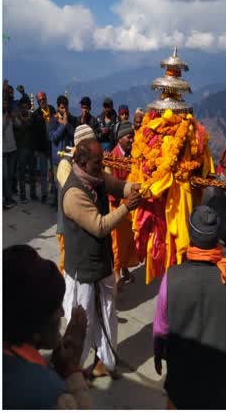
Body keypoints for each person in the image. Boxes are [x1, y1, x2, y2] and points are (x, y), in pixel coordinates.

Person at [153, 206, 226, 409]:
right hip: (225, 389)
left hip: (181, 387)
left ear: (190, 236)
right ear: (217, 238)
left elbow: (160, 331)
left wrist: (159, 356)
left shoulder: (172, 277)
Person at [61, 139, 142, 379]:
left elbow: (118, 186)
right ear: (83, 163)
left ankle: (105, 362)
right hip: (83, 271)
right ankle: (73, 368)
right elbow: (99, 226)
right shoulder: (74, 193)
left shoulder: (96, 176)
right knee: (82, 322)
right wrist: (127, 207)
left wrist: (138, 188)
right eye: (98, 163)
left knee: (107, 314)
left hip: (102, 264)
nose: (102, 167)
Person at [3, 245, 92, 409]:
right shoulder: (49, 394)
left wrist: (54, 366)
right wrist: (72, 373)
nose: (63, 312)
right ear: (35, 327)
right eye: (57, 308)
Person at [55, 125, 97, 274]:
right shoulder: (65, 164)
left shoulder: (93, 162)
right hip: (67, 228)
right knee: (67, 269)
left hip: (86, 226)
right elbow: (75, 190)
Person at [105, 121, 139, 286]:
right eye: (129, 136)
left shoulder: (134, 154)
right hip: (118, 205)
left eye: (132, 136)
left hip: (131, 205)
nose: (132, 140)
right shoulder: (113, 156)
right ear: (120, 138)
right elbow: (110, 182)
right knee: (117, 243)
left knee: (129, 241)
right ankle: (117, 271)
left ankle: (125, 268)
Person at [49, 95, 78, 208]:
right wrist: (62, 126)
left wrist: (67, 125)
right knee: (57, 182)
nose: (64, 110)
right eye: (61, 108)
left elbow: (74, 135)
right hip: (57, 157)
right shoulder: (53, 121)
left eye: (65, 108)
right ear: (57, 107)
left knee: (68, 182)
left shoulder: (72, 120)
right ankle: (58, 204)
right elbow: (53, 137)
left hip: (69, 156)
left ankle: (66, 204)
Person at [33, 92, 56, 205]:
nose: (42, 101)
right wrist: (36, 149)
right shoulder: (36, 114)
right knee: (43, 172)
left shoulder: (52, 109)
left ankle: (54, 190)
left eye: (44, 99)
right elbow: (35, 134)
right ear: (38, 102)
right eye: (40, 100)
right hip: (41, 147)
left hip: (52, 145)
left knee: (53, 169)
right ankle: (44, 193)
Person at [14, 96, 37, 203]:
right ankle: (23, 195)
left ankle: (33, 194)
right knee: (22, 174)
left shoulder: (32, 117)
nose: (24, 109)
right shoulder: (16, 119)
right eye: (22, 107)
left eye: (26, 107)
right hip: (21, 149)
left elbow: (34, 131)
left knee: (32, 173)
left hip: (31, 148)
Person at [2, 96, 17, 209]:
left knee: (11, 175)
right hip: (3, 151)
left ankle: (9, 197)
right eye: (3, 102)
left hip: (12, 149)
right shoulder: (2, 117)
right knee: (5, 176)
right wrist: (5, 120)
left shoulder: (10, 116)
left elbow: (19, 125)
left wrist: (14, 118)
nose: (5, 105)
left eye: (6, 103)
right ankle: (6, 199)